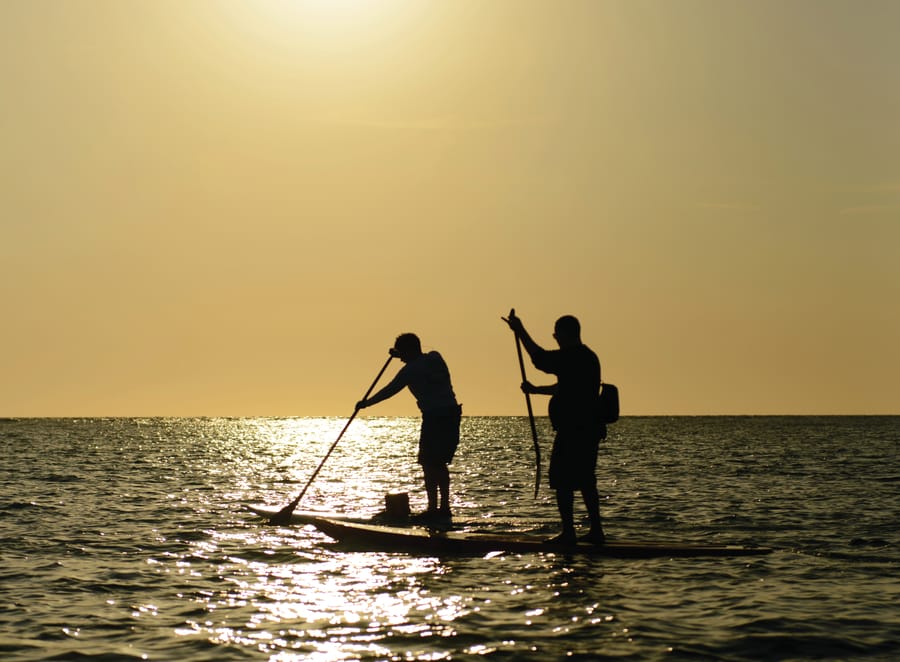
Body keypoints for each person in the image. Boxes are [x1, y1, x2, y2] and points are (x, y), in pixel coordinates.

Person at [503, 311, 606, 545]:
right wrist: (536, 390)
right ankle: (596, 530)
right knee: (586, 479)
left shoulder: (573, 356)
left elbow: (540, 359)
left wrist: (520, 331)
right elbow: (566, 387)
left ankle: (569, 533)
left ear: (564, 335)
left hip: (574, 430)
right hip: (588, 429)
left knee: (563, 481)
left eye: (556, 335)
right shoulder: (589, 357)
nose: (555, 339)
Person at [356, 333, 462, 523]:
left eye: (402, 352)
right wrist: (398, 353)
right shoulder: (435, 357)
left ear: (409, 350)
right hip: (452, 414)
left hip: (435, 417)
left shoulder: (410, 370)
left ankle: (434, 509)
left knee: (429, 463)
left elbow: (390, 390)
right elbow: (418, 360)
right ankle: (443, 508)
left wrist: (366, 403)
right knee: (439, 463)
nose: (400, 357)